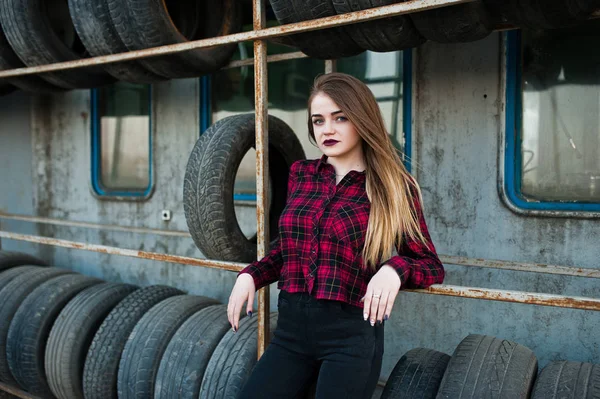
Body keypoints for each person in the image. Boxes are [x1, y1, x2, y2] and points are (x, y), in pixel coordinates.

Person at [227, 72, 444, 399]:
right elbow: (289, 252)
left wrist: (394, 269)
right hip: (291, 332)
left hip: (350, 339)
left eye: (340, 118)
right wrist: (250, 275)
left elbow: (430, 265)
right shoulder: (301, 174)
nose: (327, 129)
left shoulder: (393, 186)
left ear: (361, 119)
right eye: (318, 120)